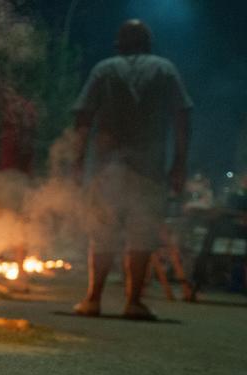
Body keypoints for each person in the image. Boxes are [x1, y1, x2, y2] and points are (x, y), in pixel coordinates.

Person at [72, 19, 192, 319]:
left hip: (108, 167)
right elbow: (182, 115)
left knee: (102, 232)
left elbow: (84, 117)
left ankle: (93, 300)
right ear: (148, 43)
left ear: (120, 43)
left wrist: (77, 161)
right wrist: (179, 162)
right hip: (149, 167)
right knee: (142, 234)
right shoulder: (165, 69)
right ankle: (133, 303)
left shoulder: (104, 69)